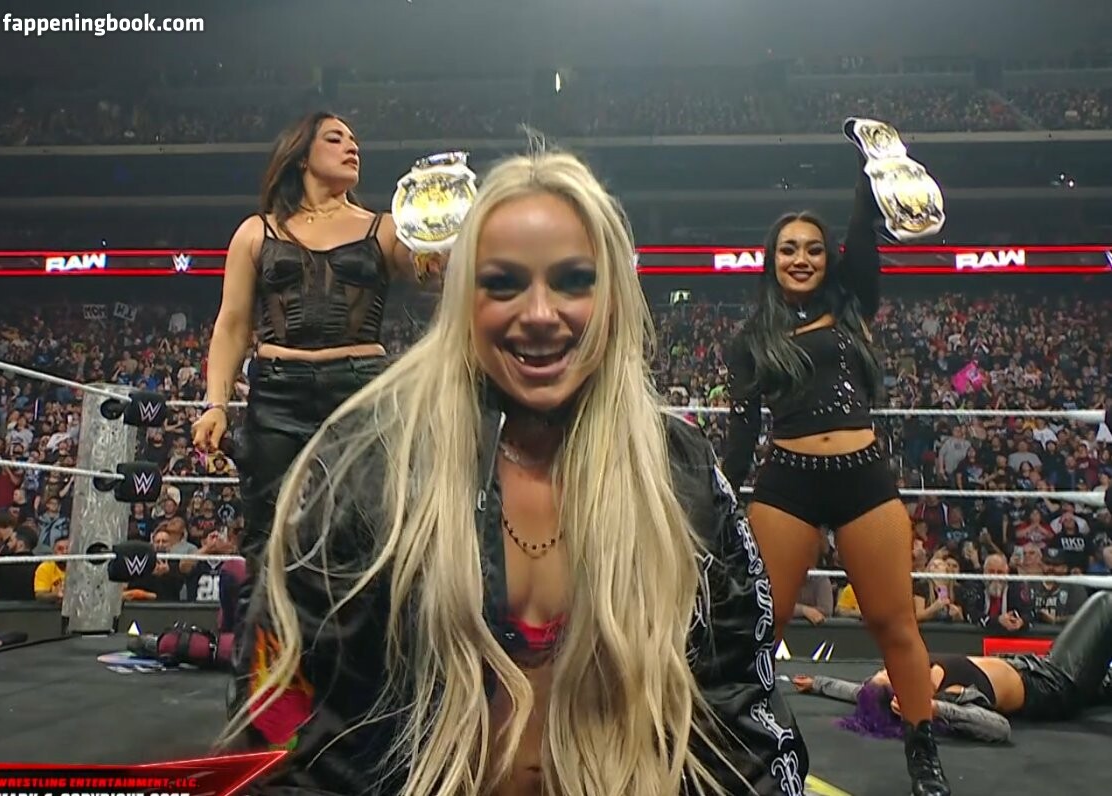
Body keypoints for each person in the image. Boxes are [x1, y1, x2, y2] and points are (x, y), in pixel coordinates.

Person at [221, 150, 809, 796]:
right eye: (503, 283)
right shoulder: (366, 467)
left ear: (613, 298)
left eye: (573, 281)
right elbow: (282, 724)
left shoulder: (679, 475)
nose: (539, 313)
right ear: (464, 301)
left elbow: (742, 717)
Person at [723, 151, 949, 794]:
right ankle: (750, 749)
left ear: (829, 259)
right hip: (787, 483)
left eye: (814, 249)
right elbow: (741, 438)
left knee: (894, 624)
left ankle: (924, 758)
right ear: (771, 259)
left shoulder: (854, 305)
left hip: (862, 478)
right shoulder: (750, 339)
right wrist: (716, 503)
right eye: (789, 249)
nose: (801, 259)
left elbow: (863, 234)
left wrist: (870, 167)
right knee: (764, 630)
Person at [191, 111, 440, 564]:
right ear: (302, 156)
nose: (352, 147)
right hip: (278, 394)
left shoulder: (385, 227)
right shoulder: (257, 231)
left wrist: (437, 236)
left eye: (354, 140)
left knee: (363, 532)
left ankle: (358, 615)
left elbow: (430, 275)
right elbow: (232, 324)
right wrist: (216, 404)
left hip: (359, 392)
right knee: (268, 536)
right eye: (335, 138)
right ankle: (271, 615)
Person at [792, 590, 1112, 742]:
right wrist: (934, 709)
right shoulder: (950, 696)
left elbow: (857, 693)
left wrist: (818, 683)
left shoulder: (911, 680)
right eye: (887, 675)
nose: (885, 669)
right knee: (1105, 603)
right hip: (1057, 682)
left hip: (1031, 666)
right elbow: (999, 728)